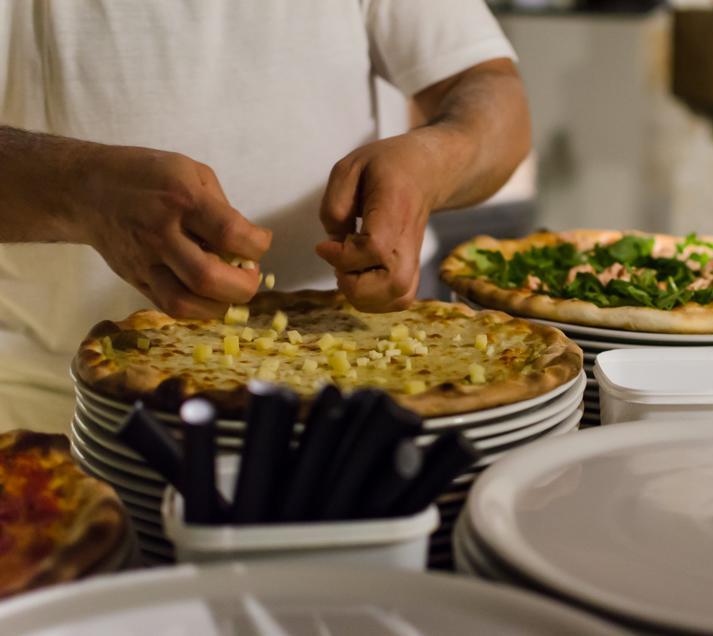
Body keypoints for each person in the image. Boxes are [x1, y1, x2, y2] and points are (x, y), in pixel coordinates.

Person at [0, 0, 531, 433]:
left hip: (387, 381)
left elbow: (492, 94)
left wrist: (435, 163)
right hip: (63, 416)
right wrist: (82, 190)